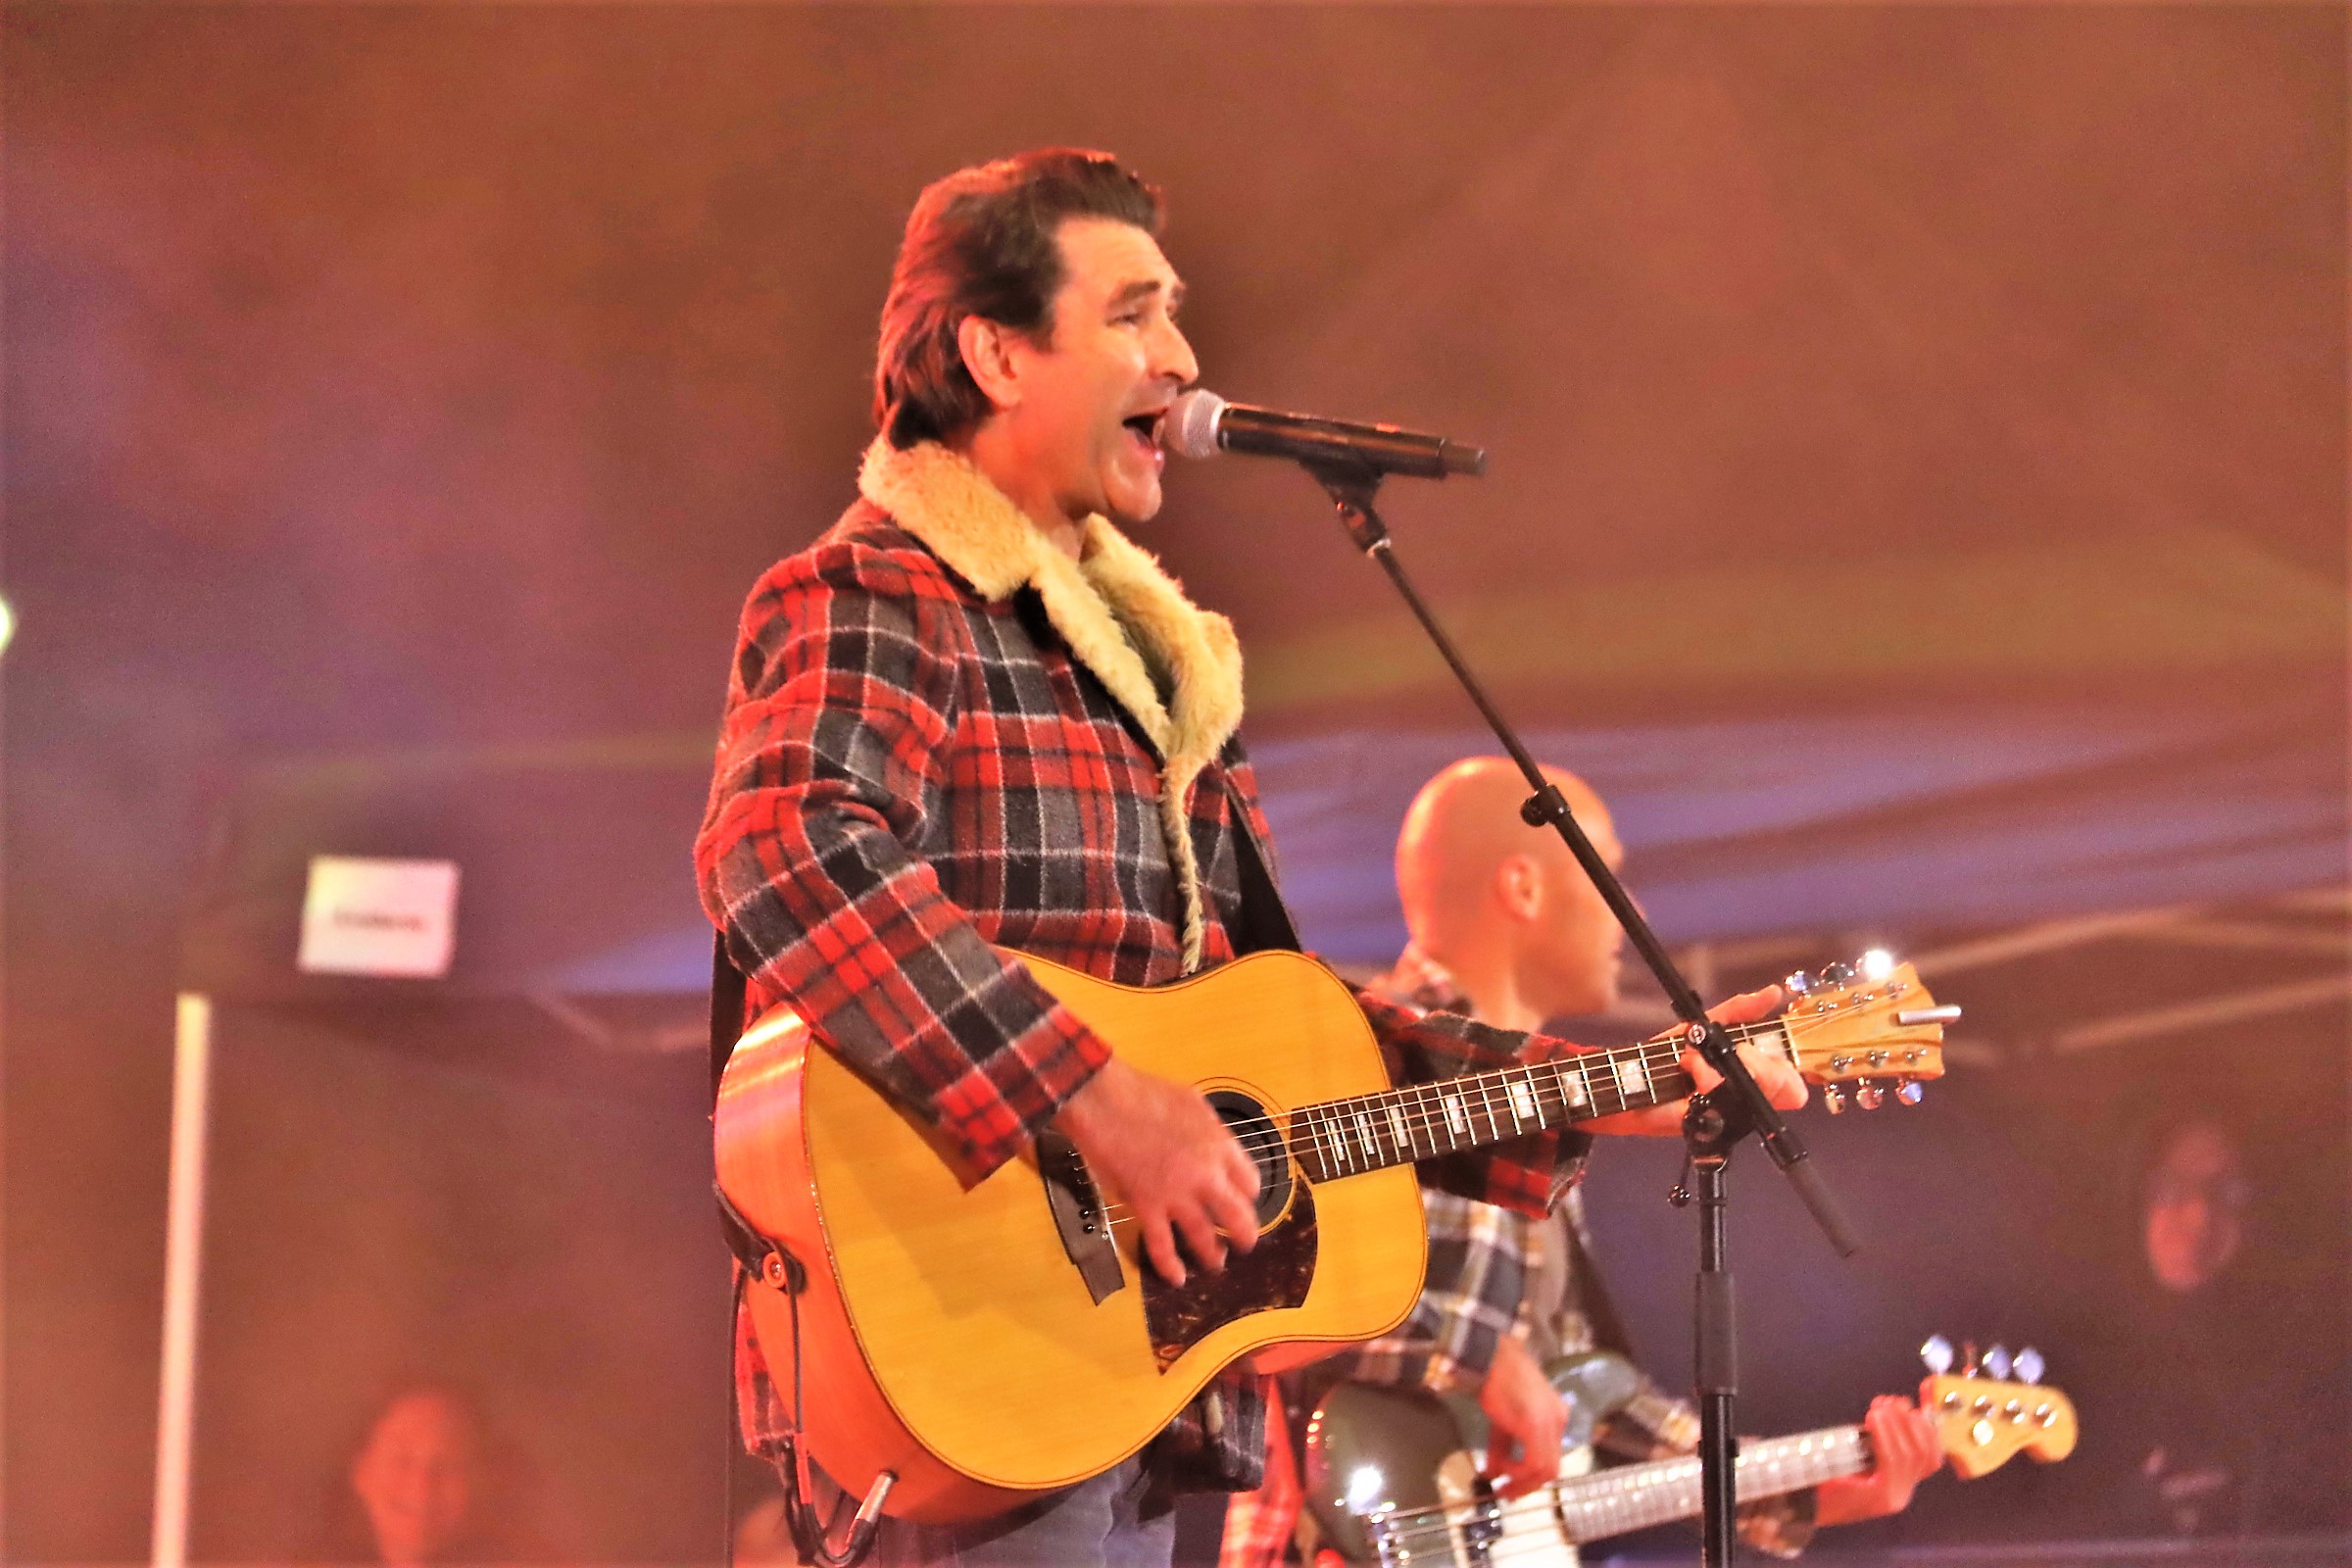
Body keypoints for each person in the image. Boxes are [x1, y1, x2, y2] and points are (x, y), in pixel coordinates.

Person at [694, 149, 1806, 1568]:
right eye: (1133, 314)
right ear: (996, 354)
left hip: (1133, 1394)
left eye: (1175, 314)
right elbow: (783, 849)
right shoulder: (880, 591)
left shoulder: (1155, 681)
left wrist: (1632, 1085)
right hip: (960, 1375)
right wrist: (1097, 1098)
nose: (1183, 359)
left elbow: (1290, 1049)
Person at [1221, 759, 1942, 1566]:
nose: (1634, 911)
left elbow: (1581, 1391)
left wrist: (1799, 1490)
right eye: (1609, 875)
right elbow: (1240, 1284)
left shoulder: (1547, 1104)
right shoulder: (1340, 1061)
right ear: (1523, 887)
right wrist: (1472, 1353)